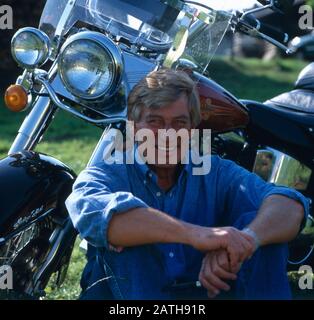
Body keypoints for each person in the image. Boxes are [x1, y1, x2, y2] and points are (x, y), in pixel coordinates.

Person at [66, 68, 309, 300]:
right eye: (155, 121)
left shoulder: (214, 170)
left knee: (258, 228)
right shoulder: (110, 169)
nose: (168, 134)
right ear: (133, 126)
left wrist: (244, 241)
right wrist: (198, 235)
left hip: (203, 293)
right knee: (133, 228)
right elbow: (94, 214)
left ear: (193, 128)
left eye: (179, 123)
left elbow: (290, 205)